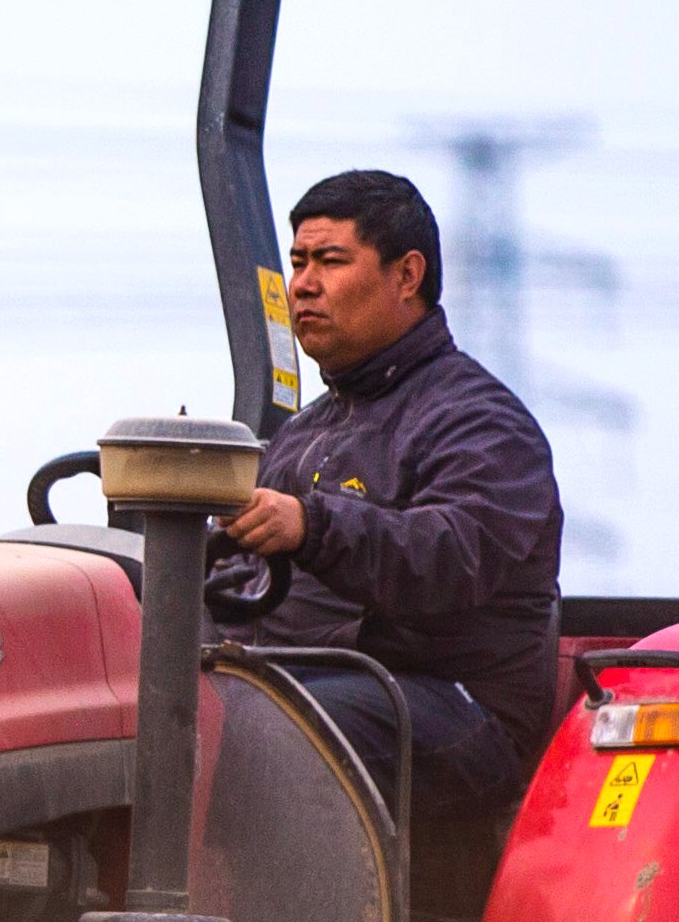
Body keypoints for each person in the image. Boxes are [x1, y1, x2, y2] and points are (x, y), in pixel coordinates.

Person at [217, 169, 565, 871]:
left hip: (450, 705)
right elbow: (243, 580)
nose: (303, 285)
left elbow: (452, 554)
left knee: (275, 727)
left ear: (407, 275)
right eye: (297, 262)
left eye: (330, 261)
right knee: (152, 703)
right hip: (310, 677)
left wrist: (311, 527)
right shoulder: (306, 432)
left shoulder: (480, 423)